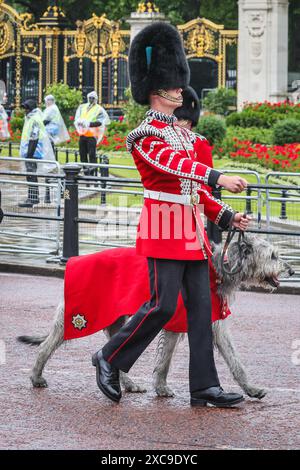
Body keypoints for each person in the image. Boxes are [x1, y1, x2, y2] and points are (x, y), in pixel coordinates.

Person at [92, 22, 251, 408]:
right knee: (161, 306)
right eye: (174, 83)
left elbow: (194, 190)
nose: (181, 88)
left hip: (192, 231)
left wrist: (227, 216)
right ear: (155, 90)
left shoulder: (183, 134)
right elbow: (177, 167)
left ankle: (204, 387)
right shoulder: (143, 135)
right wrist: (219, 176)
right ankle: (109, 357)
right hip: (164, 228)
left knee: (201, 310)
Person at [18, 99, 55, 208]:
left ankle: (33, 198)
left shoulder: (34, 119)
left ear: (31, 108)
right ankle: (32, 197)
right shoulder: (30, 118)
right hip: (29, 152)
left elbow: (34, 138)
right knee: (30, 176)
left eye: (27, 108)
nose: (25, 110)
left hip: (32, 153)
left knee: (31, 176)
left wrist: (29, 155)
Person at [74, 91, 110, 175]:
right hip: (82, 134)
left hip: (92, 135)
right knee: (82, 154)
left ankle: (92, 172)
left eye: (92, 98)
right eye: (89, 98)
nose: (91, 99)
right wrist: (79, 123)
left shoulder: (99, 109)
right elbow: (77, 118)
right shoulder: (82, 107)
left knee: (91, 154)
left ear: (96, 99)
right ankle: (86, 172)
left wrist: (89, 124)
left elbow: (101, 122)